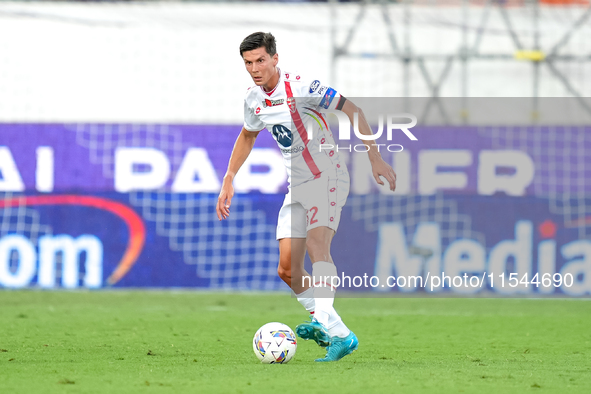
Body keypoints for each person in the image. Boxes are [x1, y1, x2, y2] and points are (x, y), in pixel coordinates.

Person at [216, 32, 397, 362]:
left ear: (274, 58)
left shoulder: (303, 88)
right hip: (297, 185)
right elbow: (247, 134)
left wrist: (374, 156)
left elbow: (352, 110)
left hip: (327, 175)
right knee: (287, 269)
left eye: (259, 60)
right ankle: (341, 335)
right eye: (248, 63)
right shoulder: (253, 98)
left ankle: (321, 321)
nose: (254, 68)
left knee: (316, 246)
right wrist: (229, 177)